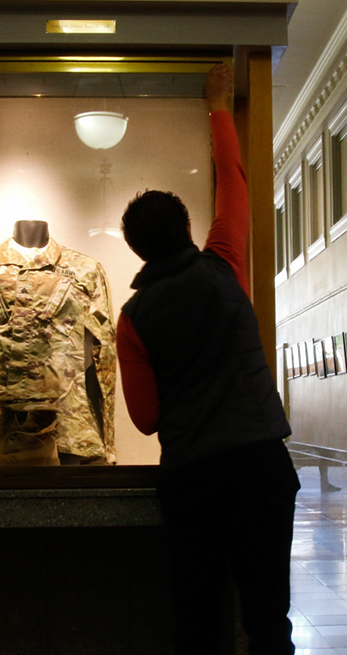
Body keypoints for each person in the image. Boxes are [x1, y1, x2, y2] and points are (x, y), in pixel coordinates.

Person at [116, 64, 300, 655]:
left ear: (136, 248)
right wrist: (217, 102)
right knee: (269, 620)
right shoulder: (223, 266)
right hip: (259, 465)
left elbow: (145, 418)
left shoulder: (133, 318)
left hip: (193, 476)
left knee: (197, 623)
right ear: (189, 228)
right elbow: (235, 182)